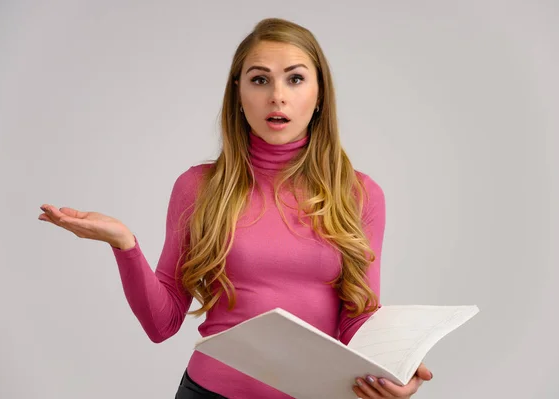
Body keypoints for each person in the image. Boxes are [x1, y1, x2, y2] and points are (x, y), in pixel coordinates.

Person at [38, 17, 432, 399]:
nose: (277, 95)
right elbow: (162, 324)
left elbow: (358, 319)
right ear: (239, 94)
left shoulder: (360, 194)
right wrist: (125, 245)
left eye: (295, 78)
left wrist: (393, 371)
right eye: (260, 79)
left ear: (319, 96)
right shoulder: (199, 187)